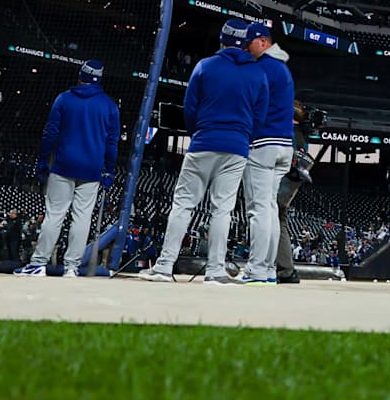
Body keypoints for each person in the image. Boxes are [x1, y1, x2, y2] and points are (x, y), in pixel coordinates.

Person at [141, 19, 270, 284]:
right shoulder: (258, 74)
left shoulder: (206, 66)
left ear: (221, 40)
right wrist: (244, 138)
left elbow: (190, 109)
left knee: (184, 204)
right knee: (222, 210)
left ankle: (164, 267)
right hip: (237, 148)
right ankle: (215, 271)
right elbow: (261, 117)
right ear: (246, 42)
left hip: (204, 142)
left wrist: (198, 133)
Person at [15, 60, 119, 277]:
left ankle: (38, 264)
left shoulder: (64, 98)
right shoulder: (109, 105)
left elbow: (50, 133)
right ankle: (72, 267)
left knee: (55, 215)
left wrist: (43, 161)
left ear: (80, 75)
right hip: (92, 169)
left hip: (63, 165)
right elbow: (112, 142)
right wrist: (110, 169)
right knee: (82, 218)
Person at [241, 41, 296, 286]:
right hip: (284, 144)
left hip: (265, 143)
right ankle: (269, 269)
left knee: (259, 209)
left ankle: (256, 269)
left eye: (249, 43)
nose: (245, 49)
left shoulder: (263, 67)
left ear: (263, 41)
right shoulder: (282, 67)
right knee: (271, 208)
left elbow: (253, 103)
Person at [276, 100, 314, 284]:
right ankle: (284, 269)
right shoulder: (302, 136)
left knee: (274, 222)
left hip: (282, 184)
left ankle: (283, 269)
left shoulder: (290, 133)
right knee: (279, 222)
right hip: (290, 186)